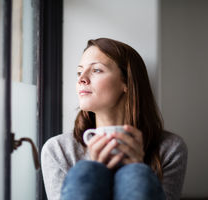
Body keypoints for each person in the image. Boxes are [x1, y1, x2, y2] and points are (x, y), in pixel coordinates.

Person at [41, 38, 188, 200]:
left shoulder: (169, 148)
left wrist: (136, 170)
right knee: (87, 171)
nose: (81, 79)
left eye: (96, 70)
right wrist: (93, 170)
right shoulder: (58, 150)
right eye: (79, 72)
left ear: (126, 82)